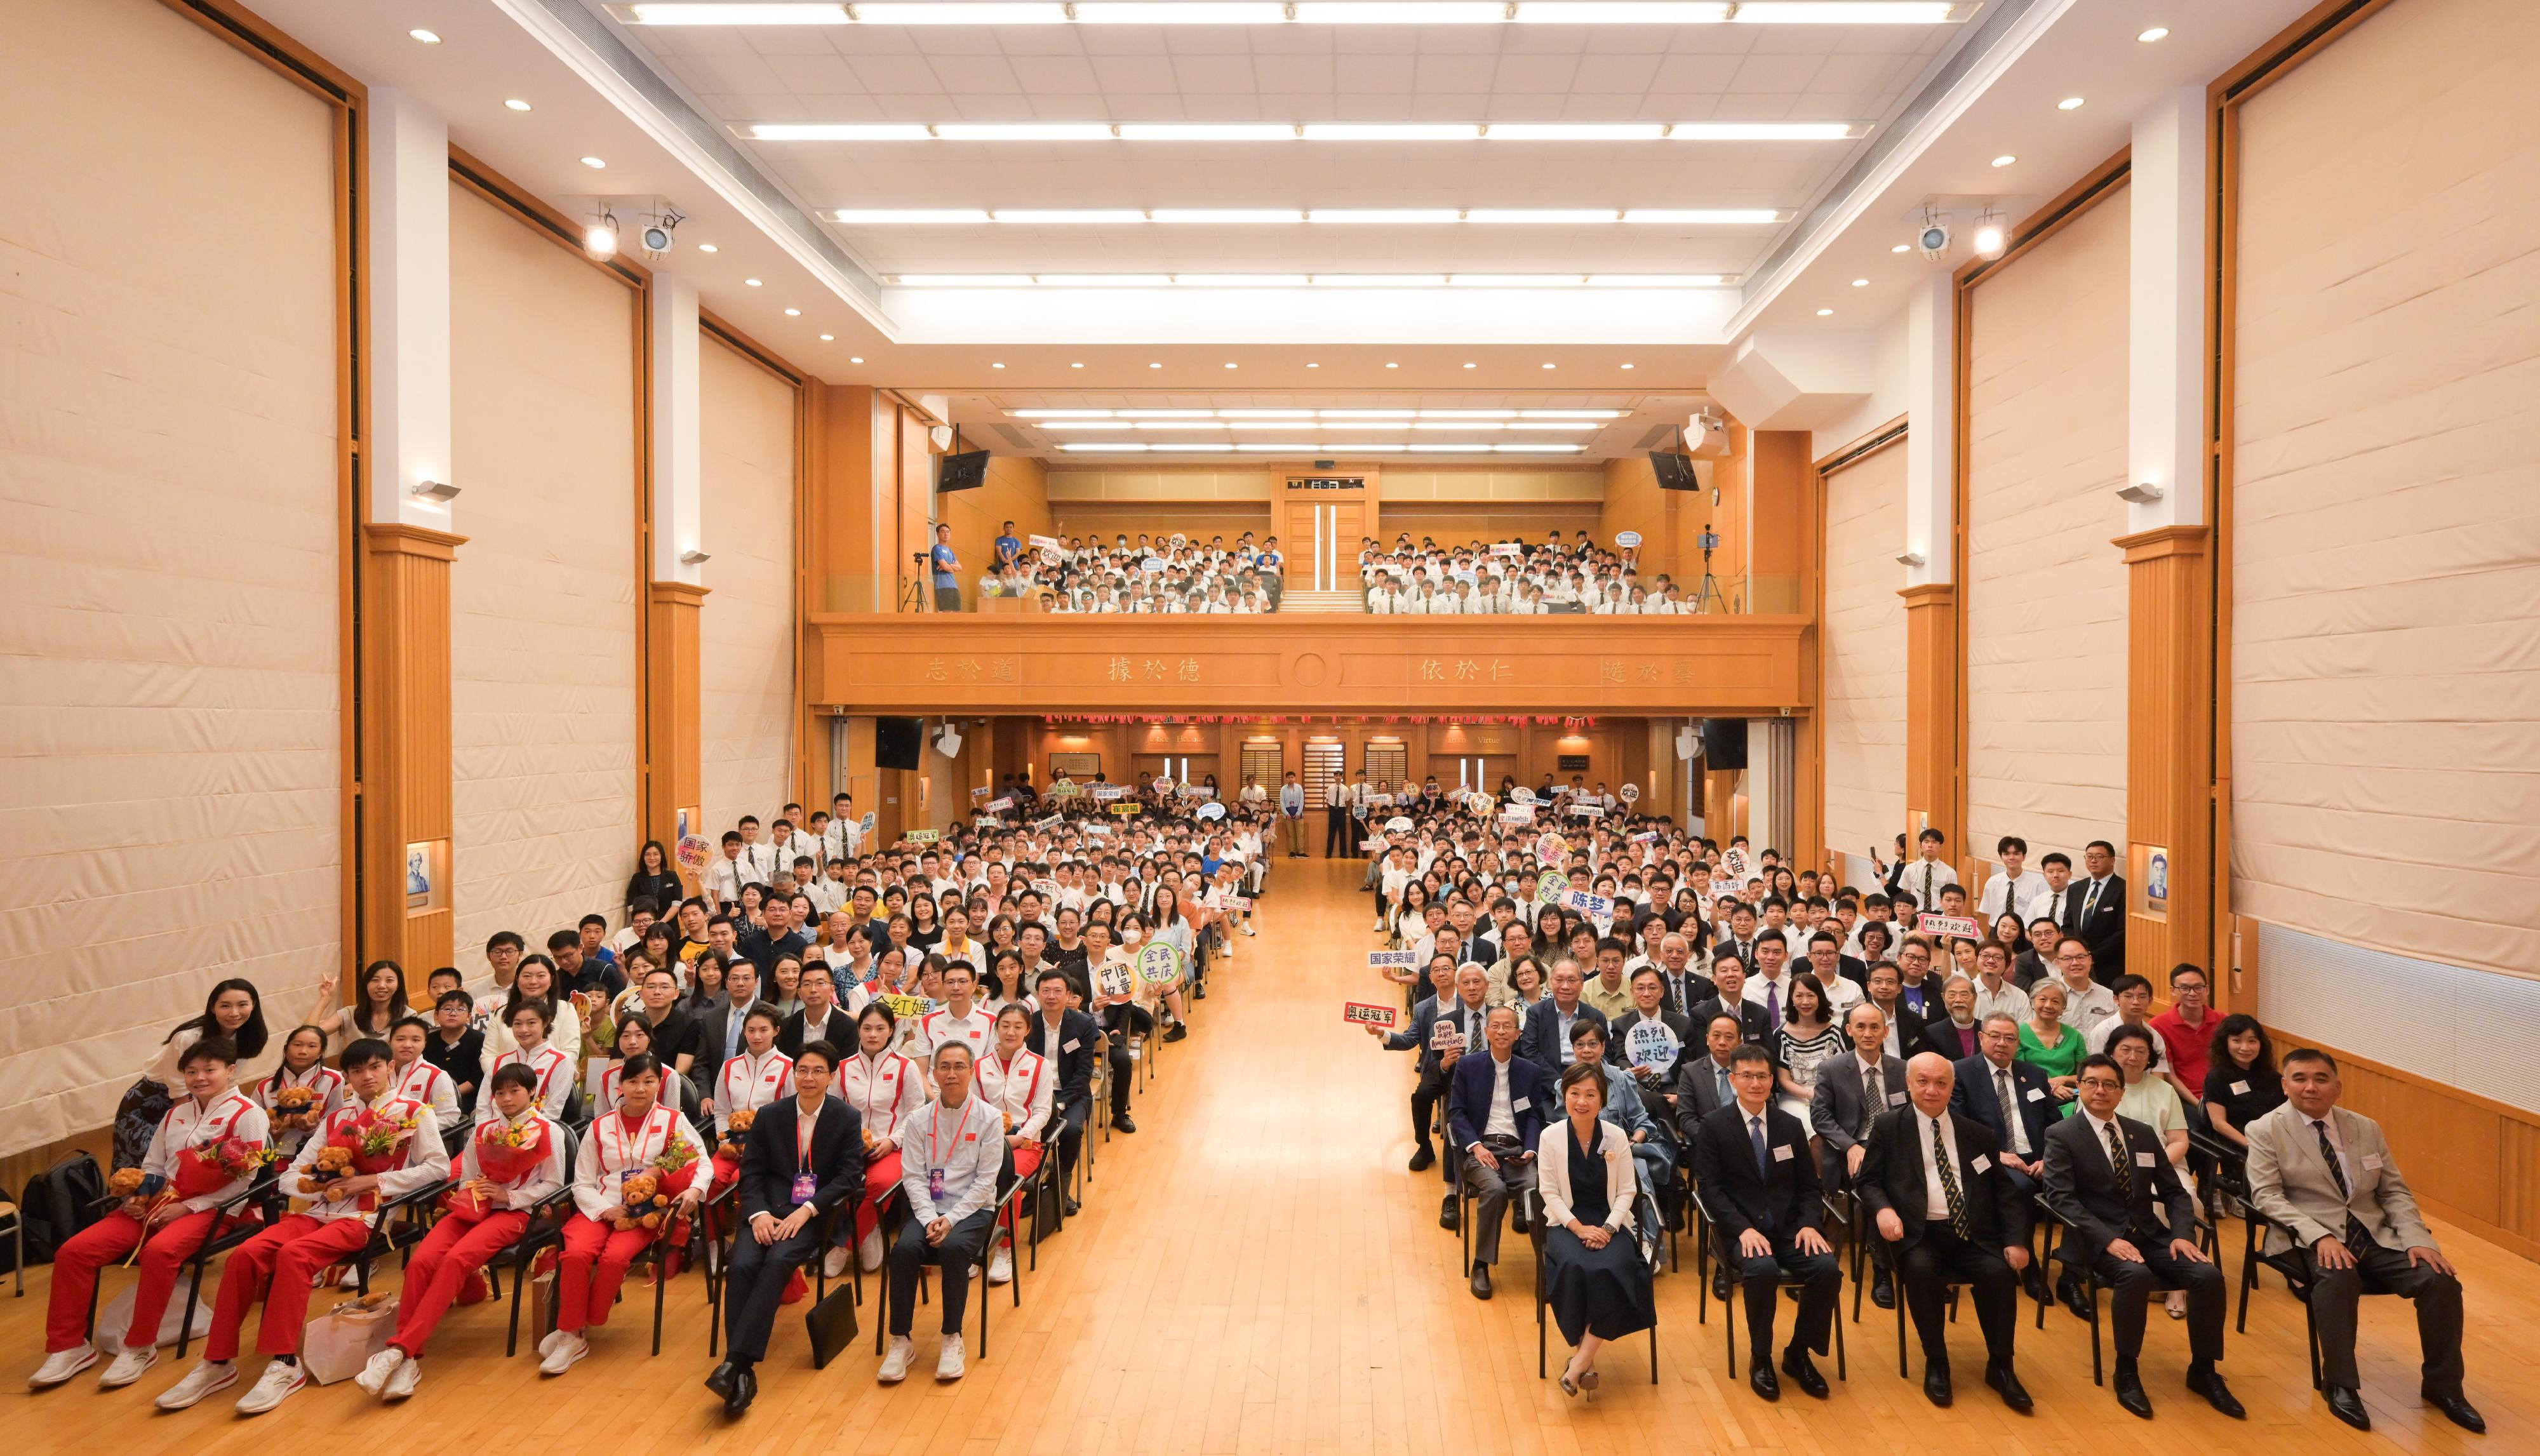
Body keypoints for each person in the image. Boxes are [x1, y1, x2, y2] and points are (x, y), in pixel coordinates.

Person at [156, 1038, 446, 1415]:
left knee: (294, 1257)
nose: (367, 1076)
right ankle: (217, 1362)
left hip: (365, 1218)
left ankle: (285, 1363)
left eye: (375, 1067)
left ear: (391, 1068)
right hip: (316, 1213)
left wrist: (375, 1183)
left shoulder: (414, 1112)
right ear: (348, 1077)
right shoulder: (336, 1119)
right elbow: (291, 1176)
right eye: (357, 1070)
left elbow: (438, 1167)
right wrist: (316, 1185)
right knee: (246, 1255)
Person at [2242, 1048, 2481, 1433]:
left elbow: (2394, 1193)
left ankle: (2444, 1387)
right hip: (2309, 1236)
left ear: (2338, 1086)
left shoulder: (2365, 1127)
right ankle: (2341, 1384)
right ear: (2284, 1085)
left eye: (2321, 1079)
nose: (2310, 1087)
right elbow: (2267, 1196)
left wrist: (2418, 1240)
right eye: (2299, 1078)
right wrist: (2319, 1235)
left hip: (2374, 1234)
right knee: (2337, 1280)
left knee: (2440, 1280)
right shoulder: (2265, 1129)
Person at [34, 1037, 271, 1392]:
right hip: (159, 1201)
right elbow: (153, 1165)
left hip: (215, 1207)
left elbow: (246, 1179)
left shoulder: (248, 1113)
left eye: (210, 1070)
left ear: (230, 1071)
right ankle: (70, 1347)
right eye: (192, 1071)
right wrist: (139, 1197)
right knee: (74, 1251)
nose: (200, 1077)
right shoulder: (176, 1113)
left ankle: (140, 1346)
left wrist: (190, 1206)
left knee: (159, 1252)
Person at [2038, 1053, 2238, 1420]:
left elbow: (2176, 1192)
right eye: (2092, 1083)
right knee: (2136, 1275)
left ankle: (2204, 1370)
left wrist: (2182, 1235)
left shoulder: (2140, 1132)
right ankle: (2127, 1370)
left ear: (2121, 1091)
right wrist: (2109, 1240)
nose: (2101, 1091)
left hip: (2149, 1235)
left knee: (2208, 1276)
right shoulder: (2062, 1134)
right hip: (2096, 1240)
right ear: (2078, 1087)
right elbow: (2061, 1199)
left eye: (2110, 1085)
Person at [360, 1062, 568, 1401]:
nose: (506, 1099)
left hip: (516, 1213)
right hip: (475, 1208)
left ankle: (400, 1351)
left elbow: (555, 1185)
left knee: (456, 1260)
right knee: (420, 1263)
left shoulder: (550, 1130)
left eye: (515, 1091)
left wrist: (509, 1195)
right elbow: (467, 1176)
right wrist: (479, 1189)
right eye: (499, 1092)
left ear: (532, 1091)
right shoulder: (483, 1129)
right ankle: (409, 1358)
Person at [1854, 1053, 2034, 1411]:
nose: (1932, 1090)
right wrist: (1884, 1211)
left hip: (1972, 1233)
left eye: (1941, 1083)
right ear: (1908, 1084)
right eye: (1923, 1081)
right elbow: (1869, 1181)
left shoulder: (1977, 1134)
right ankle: (1937, 1361)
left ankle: (2001, 1366)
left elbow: (2005, 1192)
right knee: (1921, 1272)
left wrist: (2016, 1240)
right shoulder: (1889, 1127)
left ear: (1953, 1087)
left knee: (1999, 1274)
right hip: (1917, 1233)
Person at [705, 1039, 866, 1417]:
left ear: (832, 1076)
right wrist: (758, 1213)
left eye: (817, 1071)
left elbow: (848, 1177)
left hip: (811, 1213)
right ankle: (741, 1368)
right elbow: (752, 1172)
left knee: (778, 1262)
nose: (808, 1078)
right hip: (767, 1211)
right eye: (802, 1071)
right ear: (793, 1074)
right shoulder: (771, 1114)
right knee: (742, 1265)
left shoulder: (846, 1117)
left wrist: (807, 1210)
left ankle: (736, 1363)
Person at [1689, 1043, 1840, 1401]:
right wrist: (1743, 1229)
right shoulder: (1714, 1127)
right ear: (1733, 1079)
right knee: (1762, 1271)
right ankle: (1761, 1357)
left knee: (1827, 1270)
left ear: (1773, 1080)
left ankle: (1798, 1352)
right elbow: (1710, 1190)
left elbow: (1808, 1185)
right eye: (1747, 1076)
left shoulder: (1790, 1125)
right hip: (1741, 1230)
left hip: (1790, 1228)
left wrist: (1808, 1224)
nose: (1755, 1083)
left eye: (1762, 1076)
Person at [542, 1053, 706, 1377]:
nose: (640, 1089)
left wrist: (695, 1190)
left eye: (649, 1081)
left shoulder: (673, 1120)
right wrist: (604, 1210)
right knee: (575, 1254)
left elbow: (703, 1161)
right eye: (633, 1081)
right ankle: (573, 1335)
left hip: (645, 1210)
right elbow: (582, 1181)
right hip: (602, 1205)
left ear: (660, 1084)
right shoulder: (599, 1125)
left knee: (615, 1258)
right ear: (621, 1085)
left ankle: (578, 1327)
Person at [878, 1041, 1005, 1384]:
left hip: (972, 1210)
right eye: (944, 1067)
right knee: (903, 1251)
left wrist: (950, 1220)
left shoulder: (990, 1118)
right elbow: (914, 1176)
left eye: (959, 1066)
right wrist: (928, 1217)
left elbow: (986, 1182)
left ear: (972, 1072)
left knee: (952, 1250)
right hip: (928, 1209)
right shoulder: (919, 1119)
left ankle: (952, 1337)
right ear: (933, 1074)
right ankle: (901, 1340)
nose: (951, 1074)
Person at [1538, 1061, 1656, 1398]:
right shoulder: (1550, 1137)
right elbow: (1549, 1193)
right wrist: (1579, 1230)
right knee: (1577, 1266)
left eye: (1591, 1095)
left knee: (1612, 1268)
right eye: (1575, 1093)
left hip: (1611, 1223)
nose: (1582, 1101)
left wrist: (1606, 1227)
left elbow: (1627, 1192)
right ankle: (1584, 1362)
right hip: (1566, 1223)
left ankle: (1578, 1364)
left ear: (1602, 1100)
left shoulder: (1617, 1136)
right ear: (1565, 1096)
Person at [1447, 1004, 1548, 1301]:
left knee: (1535, 1188)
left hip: (1516, 1150)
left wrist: (1530, 1149)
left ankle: (1546, 1265)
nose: (1502, 1031)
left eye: (1508, 1027)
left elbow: (1534, 1117)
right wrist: (1475, 1147)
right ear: (1487, 1031)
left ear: (1518, 1034)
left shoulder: (1530, 1071)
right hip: (1480, 1148)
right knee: (1495, 1190)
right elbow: (1457, 1114)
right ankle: (1482, 1263)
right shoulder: (1468, 1066)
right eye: (1496, 1026)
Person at [112, 978, 267, 1170]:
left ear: (254, 1005)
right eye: (225, 1006)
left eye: (242, 1005)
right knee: (143, 1166)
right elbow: (178, 1087)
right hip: (151, 1101)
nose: (234, 1013)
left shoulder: (249, 1038)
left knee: (193, 1164)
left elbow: (227, 1081)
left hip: (200, 1099)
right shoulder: (188, 1037)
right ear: (212, 1008)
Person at [839, 1003, 927, 1272]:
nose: (873, 1034)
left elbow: (916, 1113)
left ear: (891, 1031)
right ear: (859, 1030)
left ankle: (845, 1245)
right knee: (837, 1180)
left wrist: (893, 1141)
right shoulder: (843, 1067)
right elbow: (833, 1110)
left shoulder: (906, 1066)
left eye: (880, 1028)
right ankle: (869, 1230)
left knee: (883, 1181)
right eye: (867, 1028)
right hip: (850, 1147)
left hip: (892, 1145)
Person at [1027, 968, 1100, 1212]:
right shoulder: (1029, 1023)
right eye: (1045, 991)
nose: (1051, 996)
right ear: (1037, 994)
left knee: (1070, 1130)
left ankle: (1060, 1186)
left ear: (1069, 995)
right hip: (1034, 1095)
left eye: (1058, 991)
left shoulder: (1083, 1024)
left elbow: (1083, 1073)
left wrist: (1059, 1104)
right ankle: (1027, 1184)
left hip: (1071, 1093)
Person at [2200, 1014, 2284, 1151]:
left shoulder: (2273, 1076)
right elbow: (2219, 1123)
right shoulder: (2217, 1077)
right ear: (2225, 1043)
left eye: (2252, 1041)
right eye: (2237, 1041)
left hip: (2274, 1141)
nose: (2245, 1048)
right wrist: (2252, 1146)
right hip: (2239, 1147)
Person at [2061, 840, 2126, 983]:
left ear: (2113, 860)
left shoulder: (2123, 889)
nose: (2093, 861)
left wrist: (2092, 956)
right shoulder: (2076, 888)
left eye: (2099, 857)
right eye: (2089, 856)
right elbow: (2068, 924)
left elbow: (2123, 931)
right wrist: (2078, 953)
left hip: (2108, 964)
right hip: (2076, 962)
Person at [629, 841, 685, 919]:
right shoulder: (637, 878)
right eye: (648, 854)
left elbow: (677, 903)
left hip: (670, 925)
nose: (652, 858)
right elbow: (631, 906)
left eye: (656, 854)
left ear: (662, 856)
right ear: (643, 857)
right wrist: (645, 921)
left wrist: (662, 922)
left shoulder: (672, 876)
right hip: (645, 926)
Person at [929, 523, 961, 612]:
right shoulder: (937, 549)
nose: (946, 534)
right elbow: (945, 567)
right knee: (947, 613)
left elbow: (960, 568)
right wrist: (949, 567)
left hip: (954, 586)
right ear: (938, 534)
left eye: (948, 532)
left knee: (956, 613)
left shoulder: (950, 551)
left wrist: (949, 565)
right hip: (943, 586)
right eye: (943, 532)